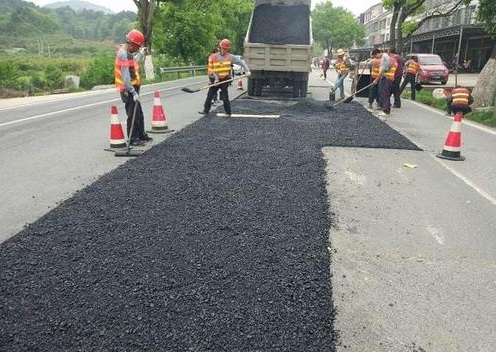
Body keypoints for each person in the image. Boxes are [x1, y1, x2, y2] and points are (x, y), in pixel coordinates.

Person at [114, 29, 152, 146]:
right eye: (137, 47)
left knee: (138, 113)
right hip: (127, 90)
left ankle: (141, 134)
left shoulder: (127, 53)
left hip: (132, 88)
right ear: (132, 44)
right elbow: (125, 77)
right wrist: (132, 91)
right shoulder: (123, 54)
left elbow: (134, 62)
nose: (137, 49)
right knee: (132, 114)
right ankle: (133, 139)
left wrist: (141, 53)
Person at [199, 38, 250, 117]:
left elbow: (241, 63)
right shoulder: (215, 56)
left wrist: (247, 71)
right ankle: (206, 110)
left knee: (225, 96)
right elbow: (213, 69)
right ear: (220, 47)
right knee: (210, 95)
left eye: (225, 49)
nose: (224, 50)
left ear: (227, 49)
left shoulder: (230, 57)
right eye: (223, 48)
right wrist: (216, 79)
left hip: (224, 78)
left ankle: (228, 112)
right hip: (215, 78)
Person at [373, 48, 397, 117]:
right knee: (384, 93)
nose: (376, 58)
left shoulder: (385, 58)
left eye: (375, 56)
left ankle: (386, 111)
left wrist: (376, 80)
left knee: (385, 94)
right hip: (388, 78)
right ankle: (386, 109)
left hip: (387, 78)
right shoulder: (386, 57)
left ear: (377, 53)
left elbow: (383, 70)